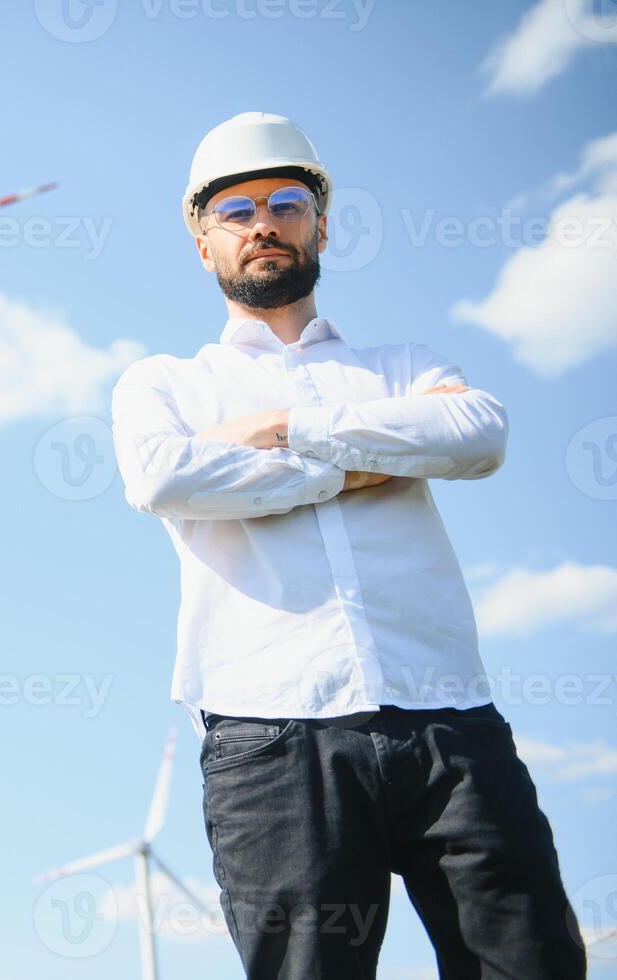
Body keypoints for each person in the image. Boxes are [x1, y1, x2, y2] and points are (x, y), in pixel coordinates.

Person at [108, 111, 587, 979]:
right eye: (235, 211)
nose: (262, 223)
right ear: (202, 243)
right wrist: (356, 464)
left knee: (534, 964)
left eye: (286, 202)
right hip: (270, 735)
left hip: (450, 722)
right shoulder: (166, 383)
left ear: (319, 225)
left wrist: (289, 430)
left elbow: (476, 433)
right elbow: (162, 479)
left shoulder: (401, 362)